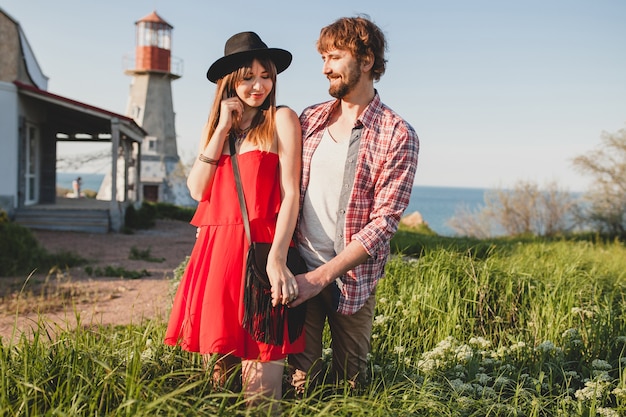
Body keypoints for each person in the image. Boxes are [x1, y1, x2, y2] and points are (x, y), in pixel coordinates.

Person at [164, 31, 303, 407]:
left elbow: (292, 194)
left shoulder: (282, 119)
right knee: (218, 387)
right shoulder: (219, 130)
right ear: (230, 82)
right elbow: (196, 189)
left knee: (261, 391)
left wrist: (277, 258)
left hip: (260, 254)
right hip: (216, 256)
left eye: (266, 75)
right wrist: (222, 128)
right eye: (247, 77)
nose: (259, 85)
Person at [287, 16, 419, 393]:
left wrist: (321, 278)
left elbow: (384, 224)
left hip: (354, 281)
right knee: (300, 384)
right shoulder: (308, 119)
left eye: (335, 56)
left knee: (352, 386)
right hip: (300, 269)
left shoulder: (398, 134)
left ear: (366, 60)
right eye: (323, 58)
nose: (326, 67)